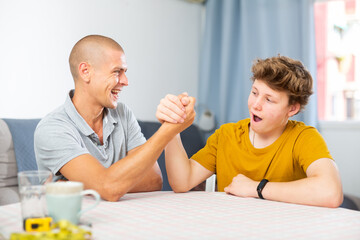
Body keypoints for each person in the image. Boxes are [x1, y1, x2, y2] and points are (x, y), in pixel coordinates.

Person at [156, 56, 343, 208]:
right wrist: (172, 128)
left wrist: (256, 189)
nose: (256, 105)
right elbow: (182, 182)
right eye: (254, 93)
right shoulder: (226, 135)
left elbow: (330, 192)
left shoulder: (304, 137)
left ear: (292, 109)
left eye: (269, 99)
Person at [34, 35, 196, 201]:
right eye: (117, 72)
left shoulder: (123, 113)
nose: (125, 81)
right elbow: (109, 188)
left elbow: (154, 180)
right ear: (85, 72)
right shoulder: (52, 128)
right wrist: (168, 130)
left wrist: (100, 182)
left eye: (125, 72)